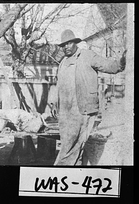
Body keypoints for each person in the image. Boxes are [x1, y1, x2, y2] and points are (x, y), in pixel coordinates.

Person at [50, 29, 126, 165]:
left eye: (68, 43)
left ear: (75, 43)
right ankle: (75, 175)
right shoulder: (63, 62)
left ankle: (57, 173)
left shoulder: (87, 56)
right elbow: (59, 85)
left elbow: (110, 66)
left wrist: (121, 62)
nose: (66, 47)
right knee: (75, 147)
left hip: (81, 110)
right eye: (63, 45)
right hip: (65, 113)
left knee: (69, 147)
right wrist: (55, 102)